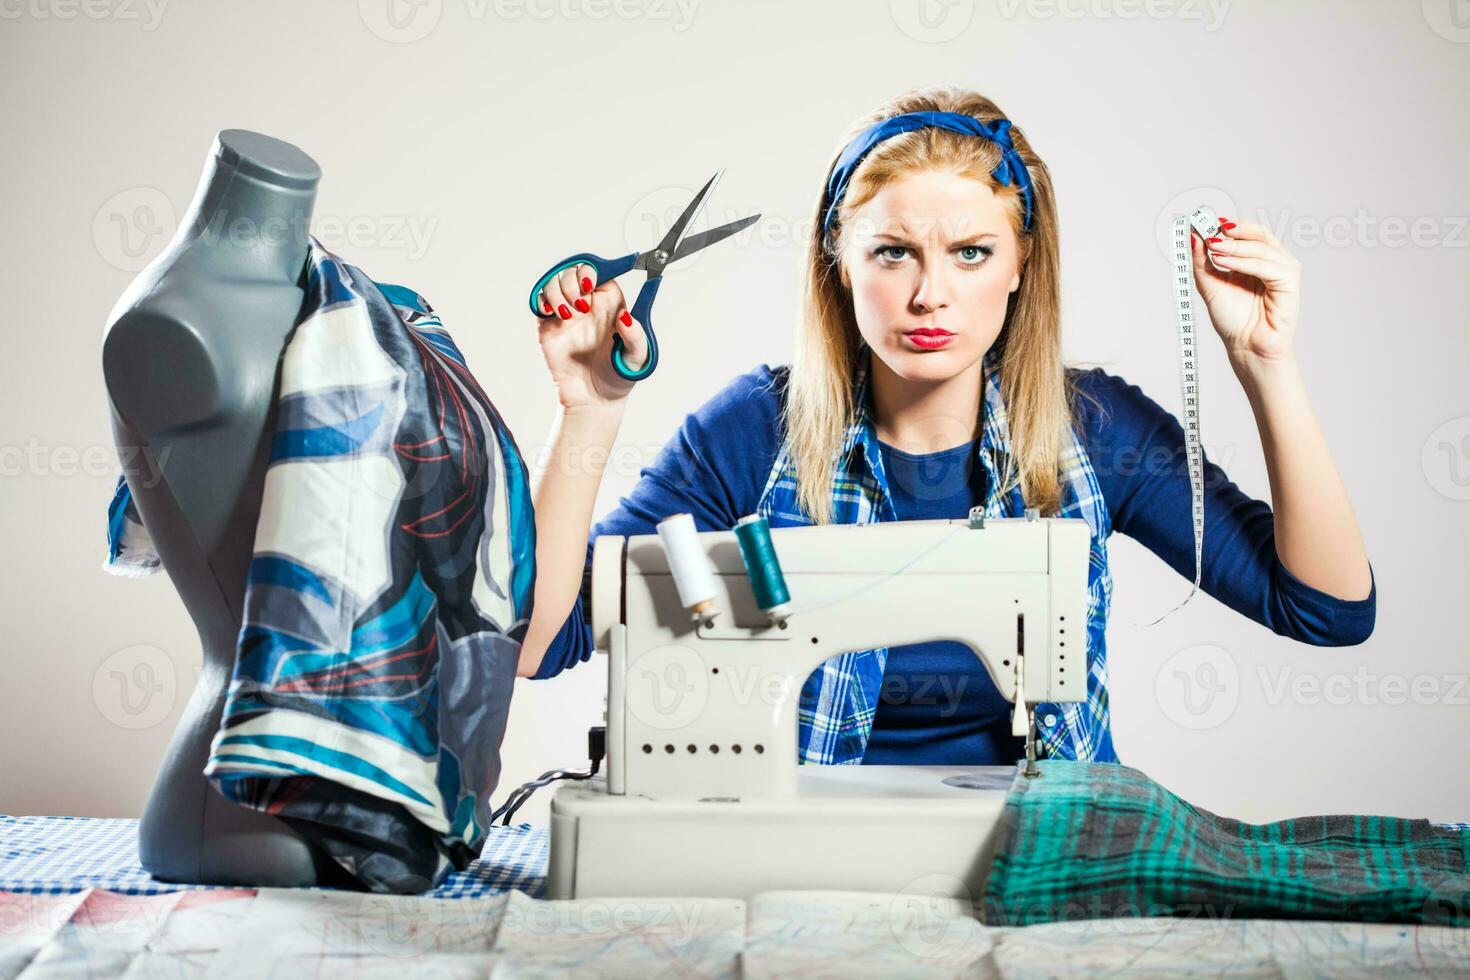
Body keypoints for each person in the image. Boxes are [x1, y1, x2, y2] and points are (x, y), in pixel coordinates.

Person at [513, 85, 1376, 766]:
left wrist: (1267, 366)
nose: (931, 294)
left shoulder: (1093, 429)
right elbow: (537, 642)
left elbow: (1326, 611)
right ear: (839, 264)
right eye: (893, 253)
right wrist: (589, 410)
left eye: (971, 252)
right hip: (809, 875)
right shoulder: (752, 432)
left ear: (1019, 264)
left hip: (1040, 866)